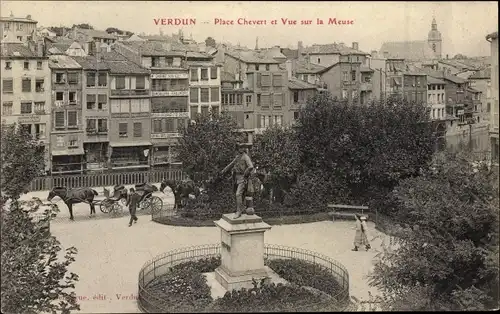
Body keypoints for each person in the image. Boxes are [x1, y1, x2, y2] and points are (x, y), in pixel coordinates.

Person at [221, 142, 254, 219]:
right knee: (239, 195)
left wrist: (245, 173)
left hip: (243, 179)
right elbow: (231, 164)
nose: (241, 149)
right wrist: (224, 170)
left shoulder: (246, 157)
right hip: (236, 178)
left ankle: (239, 212)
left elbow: (251, 167)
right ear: (237, 149)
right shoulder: (238, 157)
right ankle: (240, 209)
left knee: (238, 194)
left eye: (242, 147)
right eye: (239, 147)